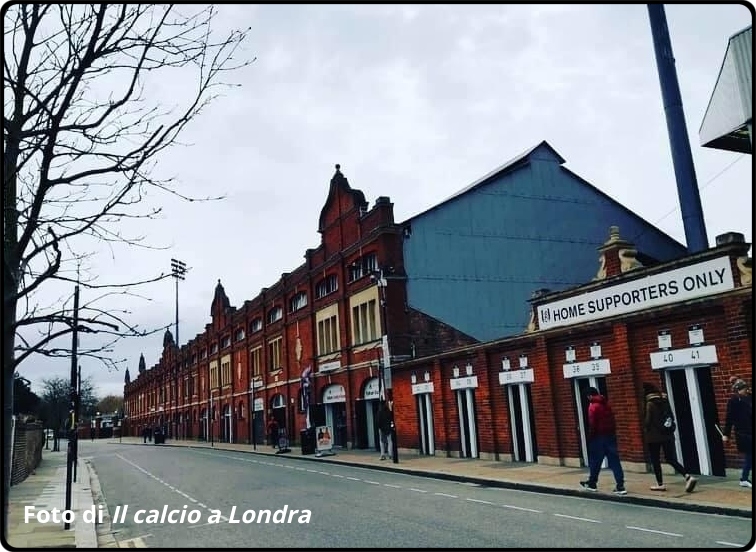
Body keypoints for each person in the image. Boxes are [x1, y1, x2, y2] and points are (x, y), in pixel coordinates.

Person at [642, 382, 697, 492]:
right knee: (671, 458)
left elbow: (648, 421)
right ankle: (687, 476)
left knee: (655, 460)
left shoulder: (650, 404)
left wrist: (646, 428)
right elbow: (671, 416)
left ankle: (660, 484)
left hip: (654, 437)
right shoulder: (665, 401)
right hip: (668, 434)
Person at [580, 387, 627, 495]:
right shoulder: (607, 404)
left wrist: (590, 437)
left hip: (598, 438)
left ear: (590, 396)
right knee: (615, 462)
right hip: (610, 436)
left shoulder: (593, 406)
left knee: (595, 462)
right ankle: (620, 486)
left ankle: (592, 483)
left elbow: (592, 424)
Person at [722, 378, 752, 488]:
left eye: (746, 388)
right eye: (744, 388)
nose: (746, 390)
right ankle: (744, 478)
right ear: (738, 390)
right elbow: (729, 418)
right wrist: (726, 434)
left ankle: (744, 478)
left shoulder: (749, 398)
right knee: (749, 455)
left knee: (750, 456)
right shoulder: (734, 401)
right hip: (743, 432)